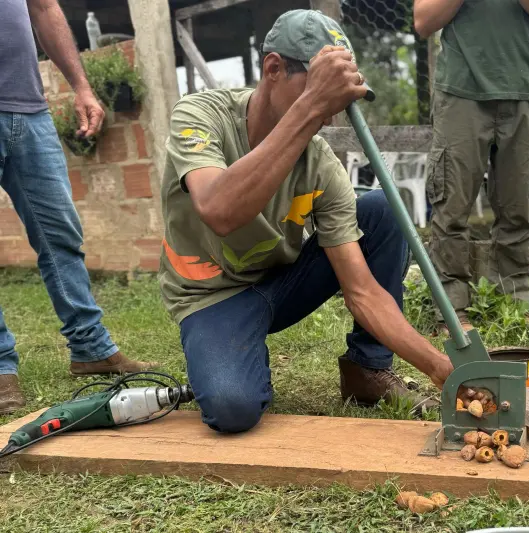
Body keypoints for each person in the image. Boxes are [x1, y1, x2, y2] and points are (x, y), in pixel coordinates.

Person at [158, 9, 455, 434]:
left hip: (280, 285)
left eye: (339, 99)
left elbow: (362, 291)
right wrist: (311, 105)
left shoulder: (319, 163)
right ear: (273, 68)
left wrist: (439, 366)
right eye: (321, 91)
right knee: (232, 409)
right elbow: (219, 210)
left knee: (380, 210)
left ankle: (366, 371)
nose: (332, 115)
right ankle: (230, 349)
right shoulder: (200, 117)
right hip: (212, 295)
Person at [0, 0, 158, 415]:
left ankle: (91, 348)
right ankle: (0, 368)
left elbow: (44, 7)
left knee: (61, 235)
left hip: (29, 112)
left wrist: (82, 86)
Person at [414, 0, 529, 334]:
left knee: (516, 207)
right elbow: (423, 21)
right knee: (451, 206)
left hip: (524, 87)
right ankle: (452, 310)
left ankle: (515, 300)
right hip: (461, 90)